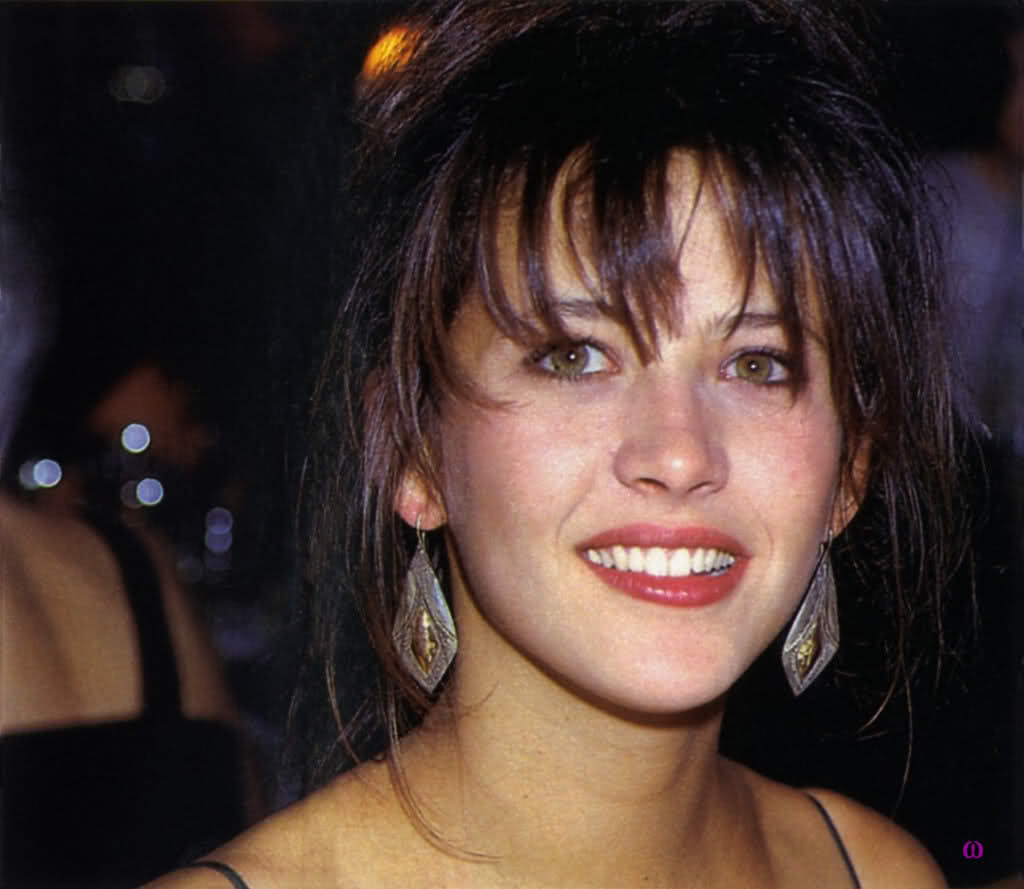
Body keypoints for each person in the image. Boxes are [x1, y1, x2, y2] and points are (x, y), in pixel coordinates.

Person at [148, 1, 970, 886]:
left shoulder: (876, 872)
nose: (681, 454)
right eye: (575, 356)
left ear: (851, 468)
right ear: (413, 447)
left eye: (756, 364)